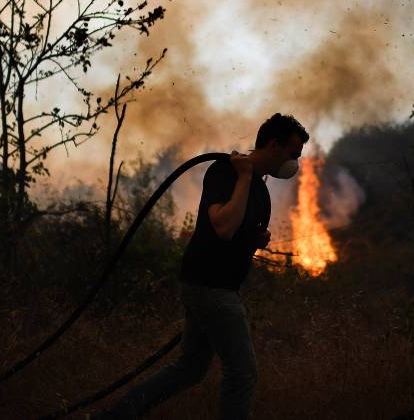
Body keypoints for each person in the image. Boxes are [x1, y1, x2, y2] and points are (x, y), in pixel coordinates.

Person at [97, 113, 309, 420]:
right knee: (243, 374)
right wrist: (245, 177)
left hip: (215, 285)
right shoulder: (225, 171)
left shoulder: (260, 192)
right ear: (274, 145)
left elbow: (234, 232)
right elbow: (222, 225)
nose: (295, 163)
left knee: (190, 369)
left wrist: (256, 237)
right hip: (211, 287)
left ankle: (114, 416)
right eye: (293, 154)